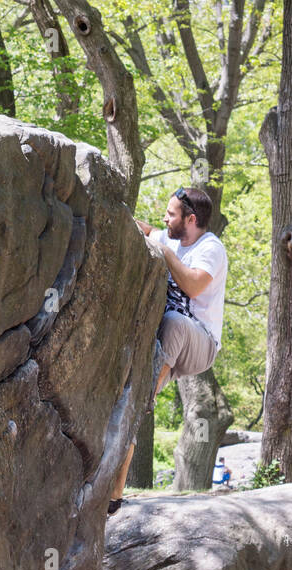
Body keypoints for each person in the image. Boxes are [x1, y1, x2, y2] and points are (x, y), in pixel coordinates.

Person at [110, 187, 228, 513]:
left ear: (191, 220)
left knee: (175, 321)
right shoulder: (171, 236)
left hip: (200, 343)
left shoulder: (211, 249)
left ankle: (146, 394)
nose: (166, 217)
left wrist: (164, 252)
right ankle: (115, 492)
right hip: (169, 339)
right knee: (129, 397)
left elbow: (192, 284)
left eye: (172, 214)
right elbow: (149, 229)